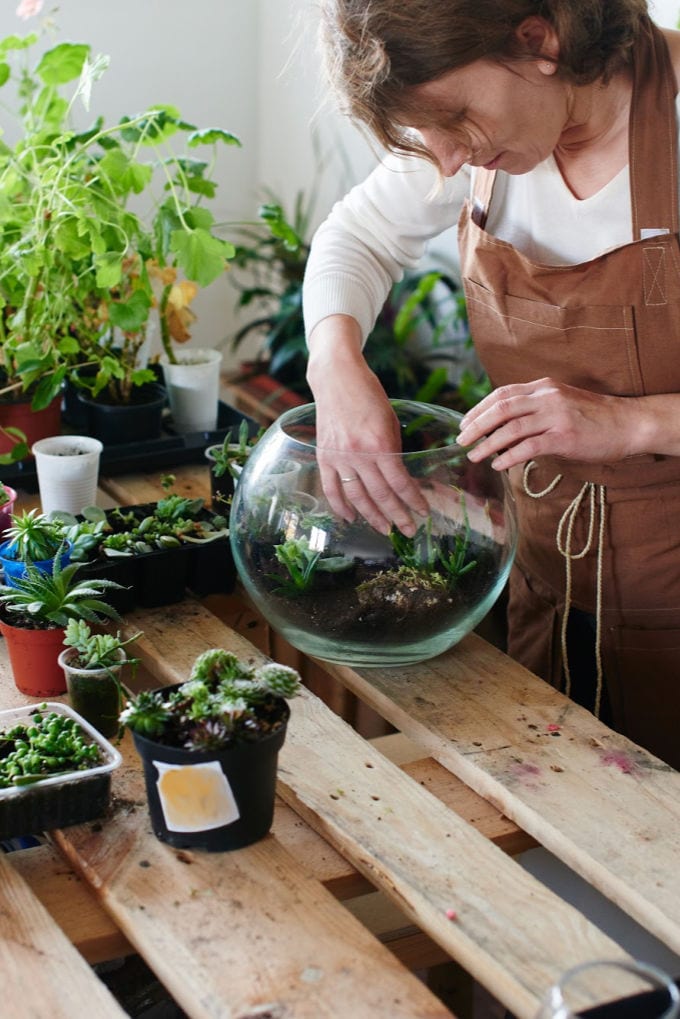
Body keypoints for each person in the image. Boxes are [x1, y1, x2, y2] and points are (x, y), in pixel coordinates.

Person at [302, 0, 680, 769]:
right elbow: (358, 236)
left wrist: (633, 425)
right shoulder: (482, 149)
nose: (445, 163)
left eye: (456, 120)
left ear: (538, 40)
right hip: (548, 586)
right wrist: (335, 364)